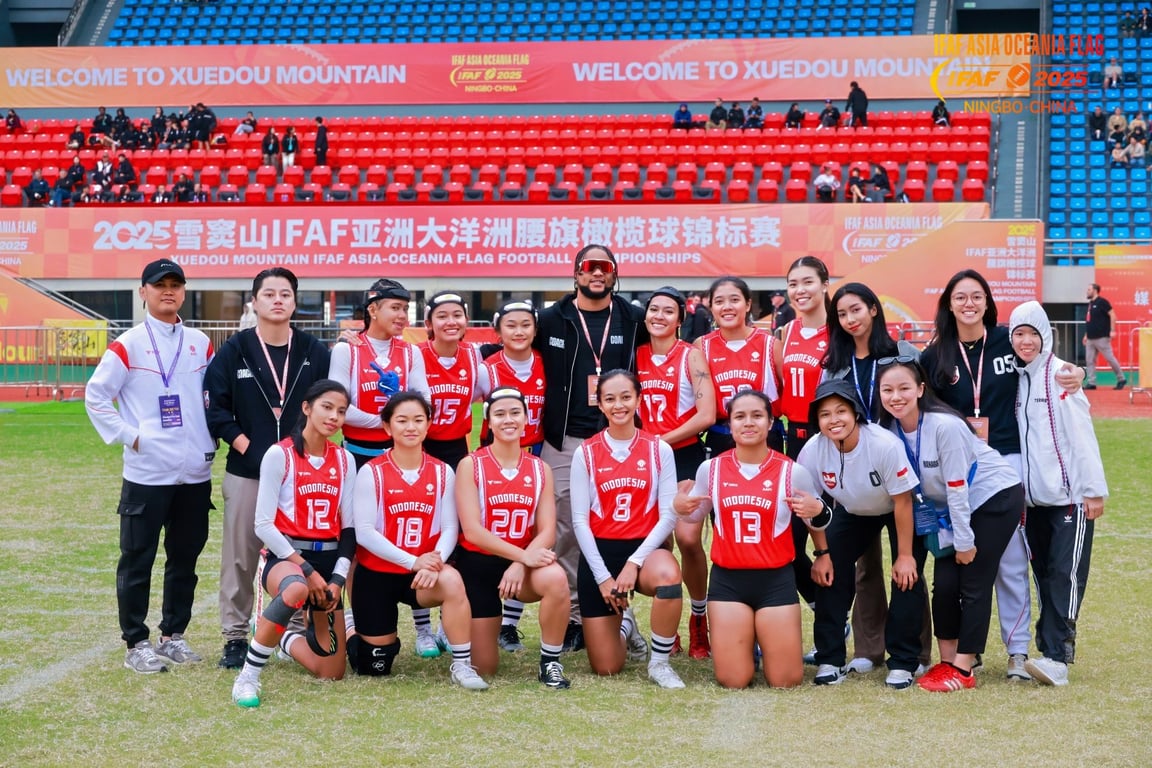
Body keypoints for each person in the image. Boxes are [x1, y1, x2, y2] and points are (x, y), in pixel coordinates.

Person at [920, 269, 1083, 680]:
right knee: (958, 556)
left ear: (988, 302)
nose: (969, 304)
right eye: (961, 297)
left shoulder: (1007, 339)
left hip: (1006, 461)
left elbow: (1045, 358)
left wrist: (1075, 372)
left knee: (1010, 559)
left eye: (977, 296)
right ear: (949, 303)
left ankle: (1016, 650)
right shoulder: (934, 354)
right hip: (958, 465)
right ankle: (961, 652)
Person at [85, 260, 215, 673]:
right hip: (147, 474)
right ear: (143, 291)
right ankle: (136, 642)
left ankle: (173, 635)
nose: (168, 292)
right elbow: (96, 397)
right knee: (137, 558)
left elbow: (214, 397)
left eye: (176, 285)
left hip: (194, 472)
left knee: (185, 559)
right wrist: (133, 437)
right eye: (160, 285)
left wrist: (209, 443)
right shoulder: (128, 344)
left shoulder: (200, 342)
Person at [205, 267, 332, 670]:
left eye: (285, 294)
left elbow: (331, 405)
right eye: (269, 294)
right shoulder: (235, 349)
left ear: (295, 303)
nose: (277, 300)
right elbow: (216, 408)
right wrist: (249, 448)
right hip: (247, 471)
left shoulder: (315, 350)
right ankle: (235, 636)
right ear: (254, 302)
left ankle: (292, 630)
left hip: (301, 473)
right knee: (240, 557)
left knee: (296, 553)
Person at [875, 357, 1025, 692]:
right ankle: (947, 662)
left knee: (973, 580)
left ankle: (964, 668)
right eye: (888, 390)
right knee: (943, 583)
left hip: (992, 498)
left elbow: (958, 488)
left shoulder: (945, 426)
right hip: (948, 511)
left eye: (904, 388)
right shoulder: (889, 431)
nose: (896, 396)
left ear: (920, 389)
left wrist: (964, 541)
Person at [674, 390, 831, 688]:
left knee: (785, 680)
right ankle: (747, 643)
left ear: (771, 422)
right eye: (740, 417)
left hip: (775, 581)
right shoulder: (711, 469)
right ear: (730, 425)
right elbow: (691, 515)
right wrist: (678, 507)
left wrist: (822, 537)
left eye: (757, 416)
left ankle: (762, 640)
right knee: (734, 680)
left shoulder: (792, 471)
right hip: (728, 582)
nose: (749, 423)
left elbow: (816, 519)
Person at [535, 244, 647, 653]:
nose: (597, 274)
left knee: (620, 527)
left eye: (605, 267)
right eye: (589, 267)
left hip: (619, 439)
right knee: (565, 530)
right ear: (576, 273)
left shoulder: (634, 317)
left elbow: (674, 342)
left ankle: (622, 616)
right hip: (565, 441)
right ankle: (575, 617)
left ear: (615, 273)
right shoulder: (549, 318)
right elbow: (509, 348)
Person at [823, 283, 929, 675]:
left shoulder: (904, 355)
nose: (850, 320)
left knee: (909, 563)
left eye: (856, 310)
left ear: (873, 308)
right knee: (864, 568)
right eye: (842, 314)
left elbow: (924, 406)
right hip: (857, 480)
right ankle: (869, 649)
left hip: (901, 475)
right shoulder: (836, 362)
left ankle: (915, 653)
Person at [230, 380, 357, 707]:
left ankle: (284, 636)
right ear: (307, 408)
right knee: (297, 589)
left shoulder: (345, 460)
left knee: (331, 670)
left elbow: (349, 529)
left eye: (341, 411)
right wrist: (307, 570)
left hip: (328, 564)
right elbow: (263, 525)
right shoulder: (279, 454)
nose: (334, 417)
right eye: (327, 407)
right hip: (288, 558)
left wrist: (337, 580)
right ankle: (248, 675)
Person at [350, 391, 489, 689]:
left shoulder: (442, 472)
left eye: (418, 420)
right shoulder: (371, 472)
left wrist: (433, 561)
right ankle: (353, 629)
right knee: (374, 667)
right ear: (387, 427)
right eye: (402, 420)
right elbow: (364, 532)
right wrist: (413, 561)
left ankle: (463, 665)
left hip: (424, 575)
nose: (410, 427)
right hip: (377, 575)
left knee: (451, 581)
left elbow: (451, 526)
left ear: (428, 426)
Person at [795, 380, 924, 689]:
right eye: (825, 414)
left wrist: (905, 556)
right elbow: (811, 507)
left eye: (841, 411)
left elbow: (903, 500)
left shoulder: (882, 444)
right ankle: (831, 658)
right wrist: (823, 555)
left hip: (896, 507)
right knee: (828, 572)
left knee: (906, 576)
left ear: (856, 413)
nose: (834, 420)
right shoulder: (813, 450)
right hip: (853, 511)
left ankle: (905, 661)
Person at [1008, 301, 1108, 687]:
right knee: (1044, 574)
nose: (1026, 341)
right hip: (1033, 502)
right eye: (1019, 333)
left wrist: (1093, 490)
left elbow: (1082, 435)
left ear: (1046, 335)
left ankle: (1058, 657)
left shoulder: (1061, 376)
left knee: (1066, 575)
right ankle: (1046, 650)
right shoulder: (1016, 378)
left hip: (1071, 498)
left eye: (1034, 333)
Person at [570, 370, 685, 688]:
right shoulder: (586, 453)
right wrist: (603, 577)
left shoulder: (659, 449)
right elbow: (580, 520)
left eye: (625, 397)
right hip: (601, 554)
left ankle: (660, 664)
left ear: (638, 399)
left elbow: (668, 516)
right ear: (601, 405)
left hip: (644, 552)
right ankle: (626, 628)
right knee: (606, 667)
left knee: (668, 574)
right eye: (610, 399)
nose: (618, 405)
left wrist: (634, 562)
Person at [454, 387, 572, 688]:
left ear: (527, 419)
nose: (509, 420)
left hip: (523, 563)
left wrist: (521, 562)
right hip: (479, 564)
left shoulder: (540, 468)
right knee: (486, 667)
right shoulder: (471, 465)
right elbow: (473, 531)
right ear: (489, 423)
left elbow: (547, 529)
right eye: (500, 414)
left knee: (557, 579)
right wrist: (521, 557)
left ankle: (550, 662)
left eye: (515, 412)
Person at [636, 287, 716, 659]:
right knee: (658, 543)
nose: (660, 316)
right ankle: (667, 624)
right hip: (645, 461)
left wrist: (660, 441)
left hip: (683, 455)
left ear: (680, 319)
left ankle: (699, 619)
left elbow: (706, 415)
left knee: (686, 539)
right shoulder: (634, 355)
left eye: (669, 311)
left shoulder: (691, 356)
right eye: (654, 309)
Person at [773, 257, 832, 628]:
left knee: (834, 536)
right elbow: (779, 392)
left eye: (807, 281)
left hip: (830, 439)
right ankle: (825, 611)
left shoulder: (839, 331)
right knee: (789, 542)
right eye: (793, 283)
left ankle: (838, 626)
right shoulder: (784, 332)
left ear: (825, 284)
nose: (800, 290)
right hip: (794, 443)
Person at [328, 278, 429, 470]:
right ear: (373, 310)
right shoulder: (347, 349)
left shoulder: (411, 352)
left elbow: (426, 405)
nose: (402, 316)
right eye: (395, 308)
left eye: (405, 309)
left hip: (401, 456)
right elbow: (340, 408)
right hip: (355, 456)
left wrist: (396, 400)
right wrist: (390, 421)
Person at [697, 276, 778, 459]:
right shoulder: (701, 346)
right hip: (719, 436)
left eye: (734, 300)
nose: (727, 307)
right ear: (711, 307)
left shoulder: (770, 345)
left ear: (748, 304)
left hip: (764, 437)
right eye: (719, 301)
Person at [419, 291, 491, 470]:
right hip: (418, 446)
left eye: (457, 315)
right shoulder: (414, 355)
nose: (451, 322)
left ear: (466, 320)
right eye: (442, 316)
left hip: (457, 448)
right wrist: (349, 339)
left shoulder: (475, 354)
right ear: (428, 323)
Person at [1083, 282, 1126, 389]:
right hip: (1090, 338)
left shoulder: (1102, 302)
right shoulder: (1091, 304)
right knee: (1089, 360)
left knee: (1110, 359)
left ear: (1095, 290)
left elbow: (1113, 315)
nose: (1087, 291)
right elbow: (1090, 321)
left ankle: (1121, 379)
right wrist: (1086, 335)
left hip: (1102, 337)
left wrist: (1112, 330)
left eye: (1089, 289)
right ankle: (1092, 382)